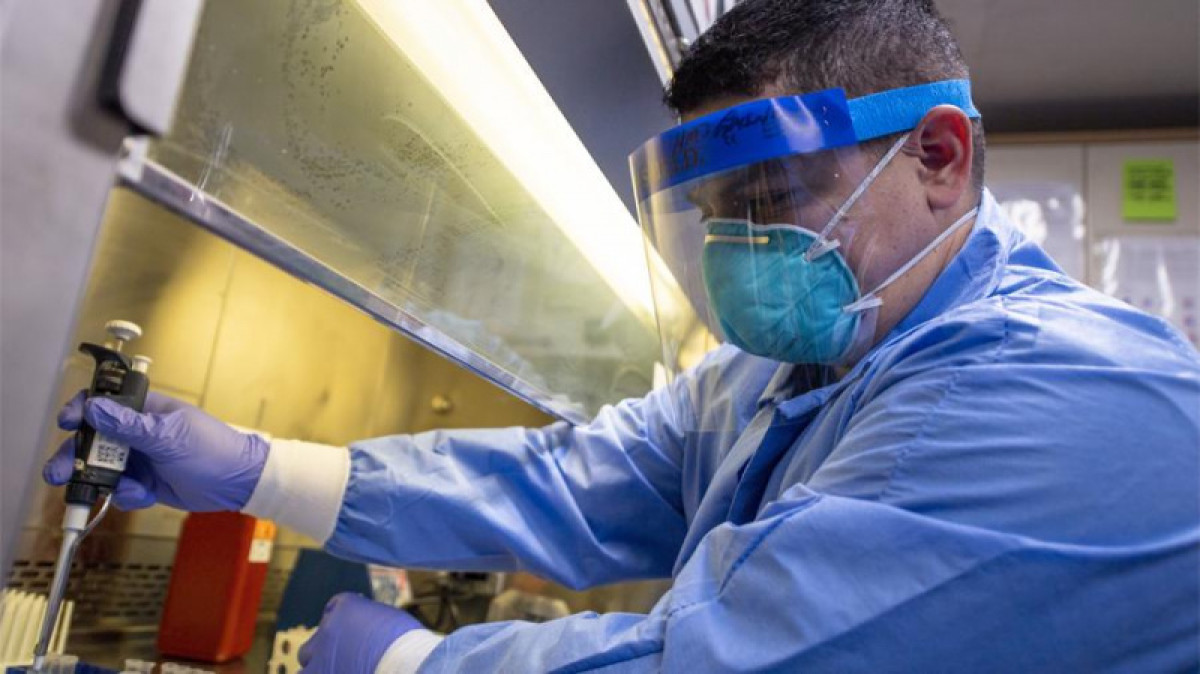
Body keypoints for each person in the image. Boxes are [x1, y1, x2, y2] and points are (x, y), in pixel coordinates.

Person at [46, 0, 1200, 671]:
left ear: (937, 157)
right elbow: (573, 480)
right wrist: (259, 469)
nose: (738, 251)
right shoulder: (795, 366)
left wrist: (413, 659)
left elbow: (724, 657)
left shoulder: (1062, 395)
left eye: (770, 198)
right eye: (717, 218)